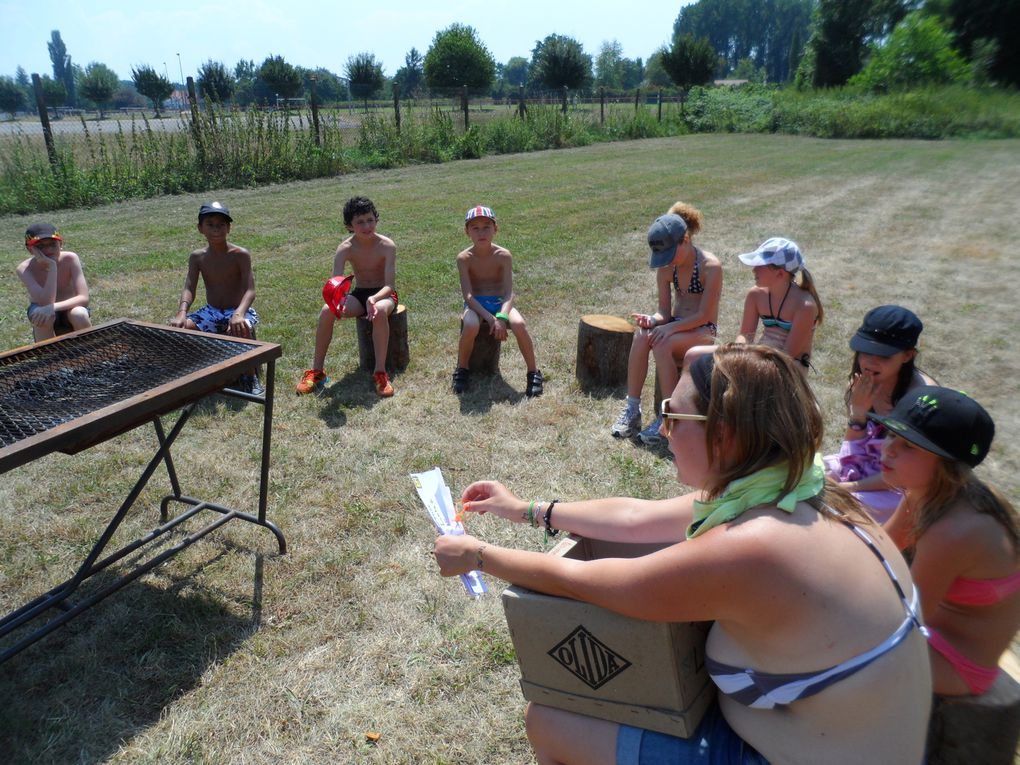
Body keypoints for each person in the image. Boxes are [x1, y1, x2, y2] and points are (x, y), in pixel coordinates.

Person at [436, 345, 931, 765]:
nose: (664, 429)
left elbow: (597, 583)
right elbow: (635, 517)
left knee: (549, 719)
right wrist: (525, 509)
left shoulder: (755, 547)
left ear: (726, 434)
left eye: (673, 416)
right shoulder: (797, 487)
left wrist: (480, 555)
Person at [876, 386, 1019, 697]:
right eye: (890, 436)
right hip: (934, 631)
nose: (888, 449)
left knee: (834, 649)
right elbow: (881, 547)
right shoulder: (926, 493)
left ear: (947, 465)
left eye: (909, 446)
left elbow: (905, 621)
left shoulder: (952, 532)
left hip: (959, 664)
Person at [611, 203, 721, 447]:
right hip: (676, 327)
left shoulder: (709, 266)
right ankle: (632, 409)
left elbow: (705, 316)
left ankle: (670, 418)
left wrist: (668, 328)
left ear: (685, 239)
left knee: (662, 343)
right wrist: (652, 320)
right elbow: (664, 311)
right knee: (642, 335)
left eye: (670, 254)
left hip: (702, 331)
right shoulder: (666, 268)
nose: (667, 261)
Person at [823, 306, 936, 522]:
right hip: (869, 464)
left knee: (840, 508)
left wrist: (848, 487)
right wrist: (858, 413)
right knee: (810, 477)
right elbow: (853, 447)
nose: (869, 363)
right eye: (865, 352)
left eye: (883, 356)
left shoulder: (920, 399)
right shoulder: (861, 384)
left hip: (901, 482)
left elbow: (906, 473)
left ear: (908, 355)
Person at [296, 196, 398, 397]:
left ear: (376, 219)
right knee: (326, 311)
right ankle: (317, 371)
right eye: (360, 222)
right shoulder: (345, 248)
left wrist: (374, 299)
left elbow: (390, 285)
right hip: (359, 295)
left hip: (384, 295)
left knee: (378, 313)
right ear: (349, 226)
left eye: (370, 220)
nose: (367, 226)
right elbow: (336, 283)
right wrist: (339, 301)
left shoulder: (387, 245)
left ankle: (380, 373)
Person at [169, 202, 261, 394]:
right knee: (180, 328)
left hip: (236, 309)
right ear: (200, 229)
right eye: (210, 224)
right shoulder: (197, 257)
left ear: (229, 228)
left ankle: (250, 376)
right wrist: (182, 312)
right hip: (210, 311)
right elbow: (189, 287)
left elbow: (250, 290)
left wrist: (239, 313)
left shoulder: (240, 255)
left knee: (240, 327)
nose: (216, 229)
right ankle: (196, 370)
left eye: (221, 224)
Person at [453, 205, 543, 398]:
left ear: (496, 229)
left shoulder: (503, 255)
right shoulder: (464, 258)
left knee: (519, 324)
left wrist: (501, 316)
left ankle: (533, 372)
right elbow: (468, 296)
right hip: (475, 305)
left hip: (501, 302)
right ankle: (462, 368)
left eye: (487, 226)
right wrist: (490, 318)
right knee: (469, 326)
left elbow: (509, 292)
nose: (481, 232)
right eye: (475, 228)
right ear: (467, 231)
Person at [734, 237, 821, 370]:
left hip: (790, 367)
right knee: (696, 354)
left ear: (780, 273)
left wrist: (751, 360)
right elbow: (745, 335)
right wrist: (737, 351)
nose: (754, 269)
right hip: (760, 356)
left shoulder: (805, 306)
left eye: (760, 265)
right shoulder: (755, 295)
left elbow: (788, 355)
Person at [16, 222, 91, 342]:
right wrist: (52, 267)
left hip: (71, 306)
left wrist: (53, 307)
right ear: (30, 249)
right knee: (42, 317)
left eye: (52, 244)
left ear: (60, 244)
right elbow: (45, 302)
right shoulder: (24, 269)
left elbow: (83, 298)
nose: (48, 250)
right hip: (42, 307)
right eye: (40, 247)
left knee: (79, 314)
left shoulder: (70, 259)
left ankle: (89, 354)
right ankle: (49, 357)